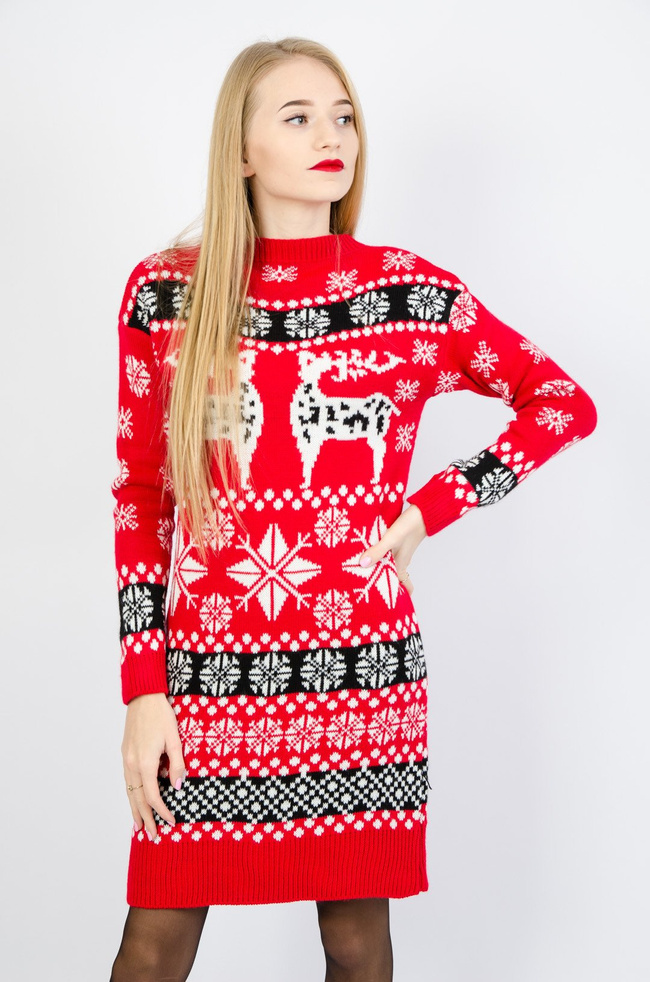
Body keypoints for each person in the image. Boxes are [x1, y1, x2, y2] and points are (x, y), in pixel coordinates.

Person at [109, 36, 597, 982]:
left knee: (357, 947)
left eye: (343, 117)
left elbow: (562, 403)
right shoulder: (167, 295)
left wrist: (431, 508)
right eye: (298, 117)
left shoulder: (409, 294)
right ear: (241, 150)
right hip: (206, 682)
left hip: (359, 678)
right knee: (155, 945)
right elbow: (143, 496)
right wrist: (143, 689)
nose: (332, 137)